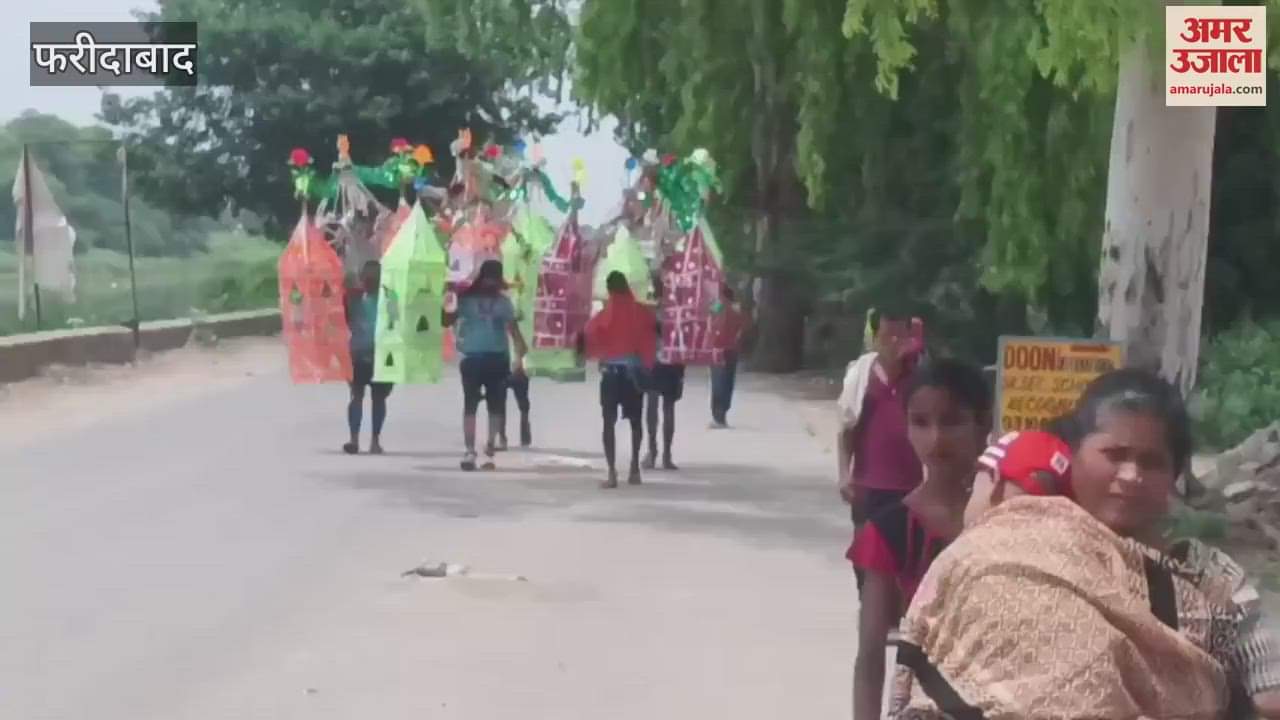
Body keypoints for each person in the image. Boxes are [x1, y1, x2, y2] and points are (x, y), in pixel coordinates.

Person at [890, 369, 1280, 719]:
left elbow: (1270, 698)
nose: (1130, 476)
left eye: (1152, 462)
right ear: (1073, 454)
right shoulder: (1014, 553)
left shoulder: (1212, 579)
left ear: (1174, 475)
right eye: (1114, 455)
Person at [847, 358, 991, 720]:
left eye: (952, 421)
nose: (936, 438)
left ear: (983, 424)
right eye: (921, 423)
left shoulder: (1013, 517)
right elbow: (870, 652)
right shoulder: (889, 531)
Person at [837, 307, 924, 534]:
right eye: (886, 337)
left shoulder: (919, 380)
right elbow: (847, 430)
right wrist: (844, 474)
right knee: (864, 561)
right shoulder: (861, 380)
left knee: (903, 561)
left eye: (900, 336)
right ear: (875, 340)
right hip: (868, 487)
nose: (894, 343)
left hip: (910, 488)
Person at [443, 259, 528, 471]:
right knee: (486, 406)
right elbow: (446, 319)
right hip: (486, 358)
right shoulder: (497, 302)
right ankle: (476, 450)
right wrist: (450, 297)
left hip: (483, 358)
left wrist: (520, 356)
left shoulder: (471, 300)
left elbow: (446, 319)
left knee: (484, 406)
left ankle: (483, 448)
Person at [583, 271, 657, 488]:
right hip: (633, 374)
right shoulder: (641, 312)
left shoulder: (606, 314)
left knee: (608, 422)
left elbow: (589, 334)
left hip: (611, 374)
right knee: (636, 422)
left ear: (609, 289)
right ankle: (634, 469)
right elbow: (652, 335)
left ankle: (612, 473)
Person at [343, 260, 393, 455]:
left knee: (362, 397)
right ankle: (367, 441)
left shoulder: (355, 298)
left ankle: (364, 440)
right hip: (368, 353)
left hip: (367, 353)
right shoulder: (386, 297)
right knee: (369, 398)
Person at [644, 272, 685, 470]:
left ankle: (652, 452)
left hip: (653, 363)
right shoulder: (681, 310)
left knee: (651, 408)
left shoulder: (650, 311)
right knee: (669, 409)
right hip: (674, 363)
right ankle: (667, 455)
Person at [709, 283, 745, 429]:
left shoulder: (719, 304)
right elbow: (741, 327)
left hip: (719, 349)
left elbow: (712, 322)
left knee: (718, 381)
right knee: (728, 381)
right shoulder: (736, 308)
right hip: (732, 349)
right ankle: (723, 414)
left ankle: (718, 417)